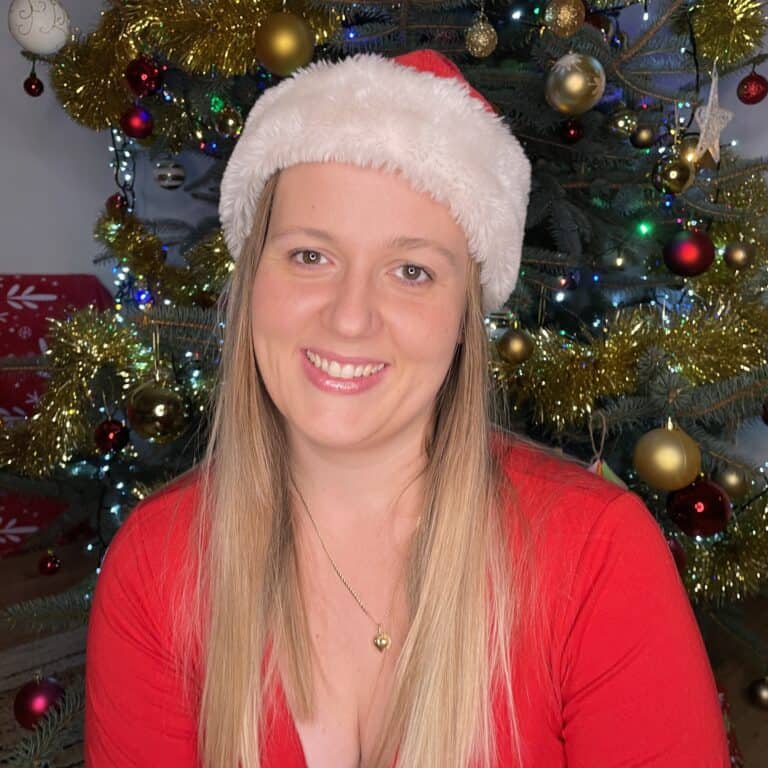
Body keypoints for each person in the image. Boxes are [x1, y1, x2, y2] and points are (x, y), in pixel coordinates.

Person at [84, 49, 730, 768]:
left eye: (412, 271)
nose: (350, 318)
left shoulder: (598, 557)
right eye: (309, 255)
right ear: (252, 275)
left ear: (463, 314)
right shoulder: (155, 565)